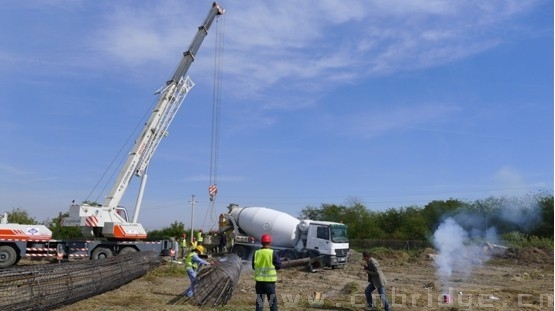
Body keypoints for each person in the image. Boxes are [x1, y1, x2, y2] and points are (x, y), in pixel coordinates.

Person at [252, 233, 281, 311]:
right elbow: (278, 266)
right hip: (270, 283)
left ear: (261, 243)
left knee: (259, 302)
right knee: (272, 302)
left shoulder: (256, 253)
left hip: (259, 282)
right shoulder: (273, 253)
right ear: (270, 243)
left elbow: (253, 267)